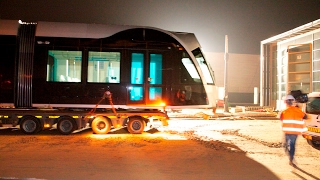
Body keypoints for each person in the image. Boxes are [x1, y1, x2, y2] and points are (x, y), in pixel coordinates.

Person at [279, 94, 307, 167]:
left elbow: (281, 118)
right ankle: (291, 159)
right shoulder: (298, 110)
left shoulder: (284, 111)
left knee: (285, 145)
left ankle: (290, 158)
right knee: (292, 145)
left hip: (287, 132)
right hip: (295, 132)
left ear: (286, 102)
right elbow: (306, 117)